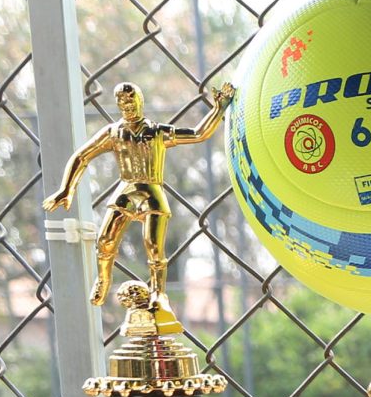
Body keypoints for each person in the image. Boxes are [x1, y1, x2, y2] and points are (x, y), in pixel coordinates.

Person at [44, 81, 234, 306]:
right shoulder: (114, 132)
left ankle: (158, 292)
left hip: (151, 190)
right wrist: (67, 189)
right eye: (121, 101)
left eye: (130, 99)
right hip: (126, 190)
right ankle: (103, 279)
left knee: (153, 246)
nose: (127, 105)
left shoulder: (156, 131)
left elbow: (197, 134)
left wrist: (218, 109)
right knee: (105, 240)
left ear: (139, 100)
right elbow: (82, 156)